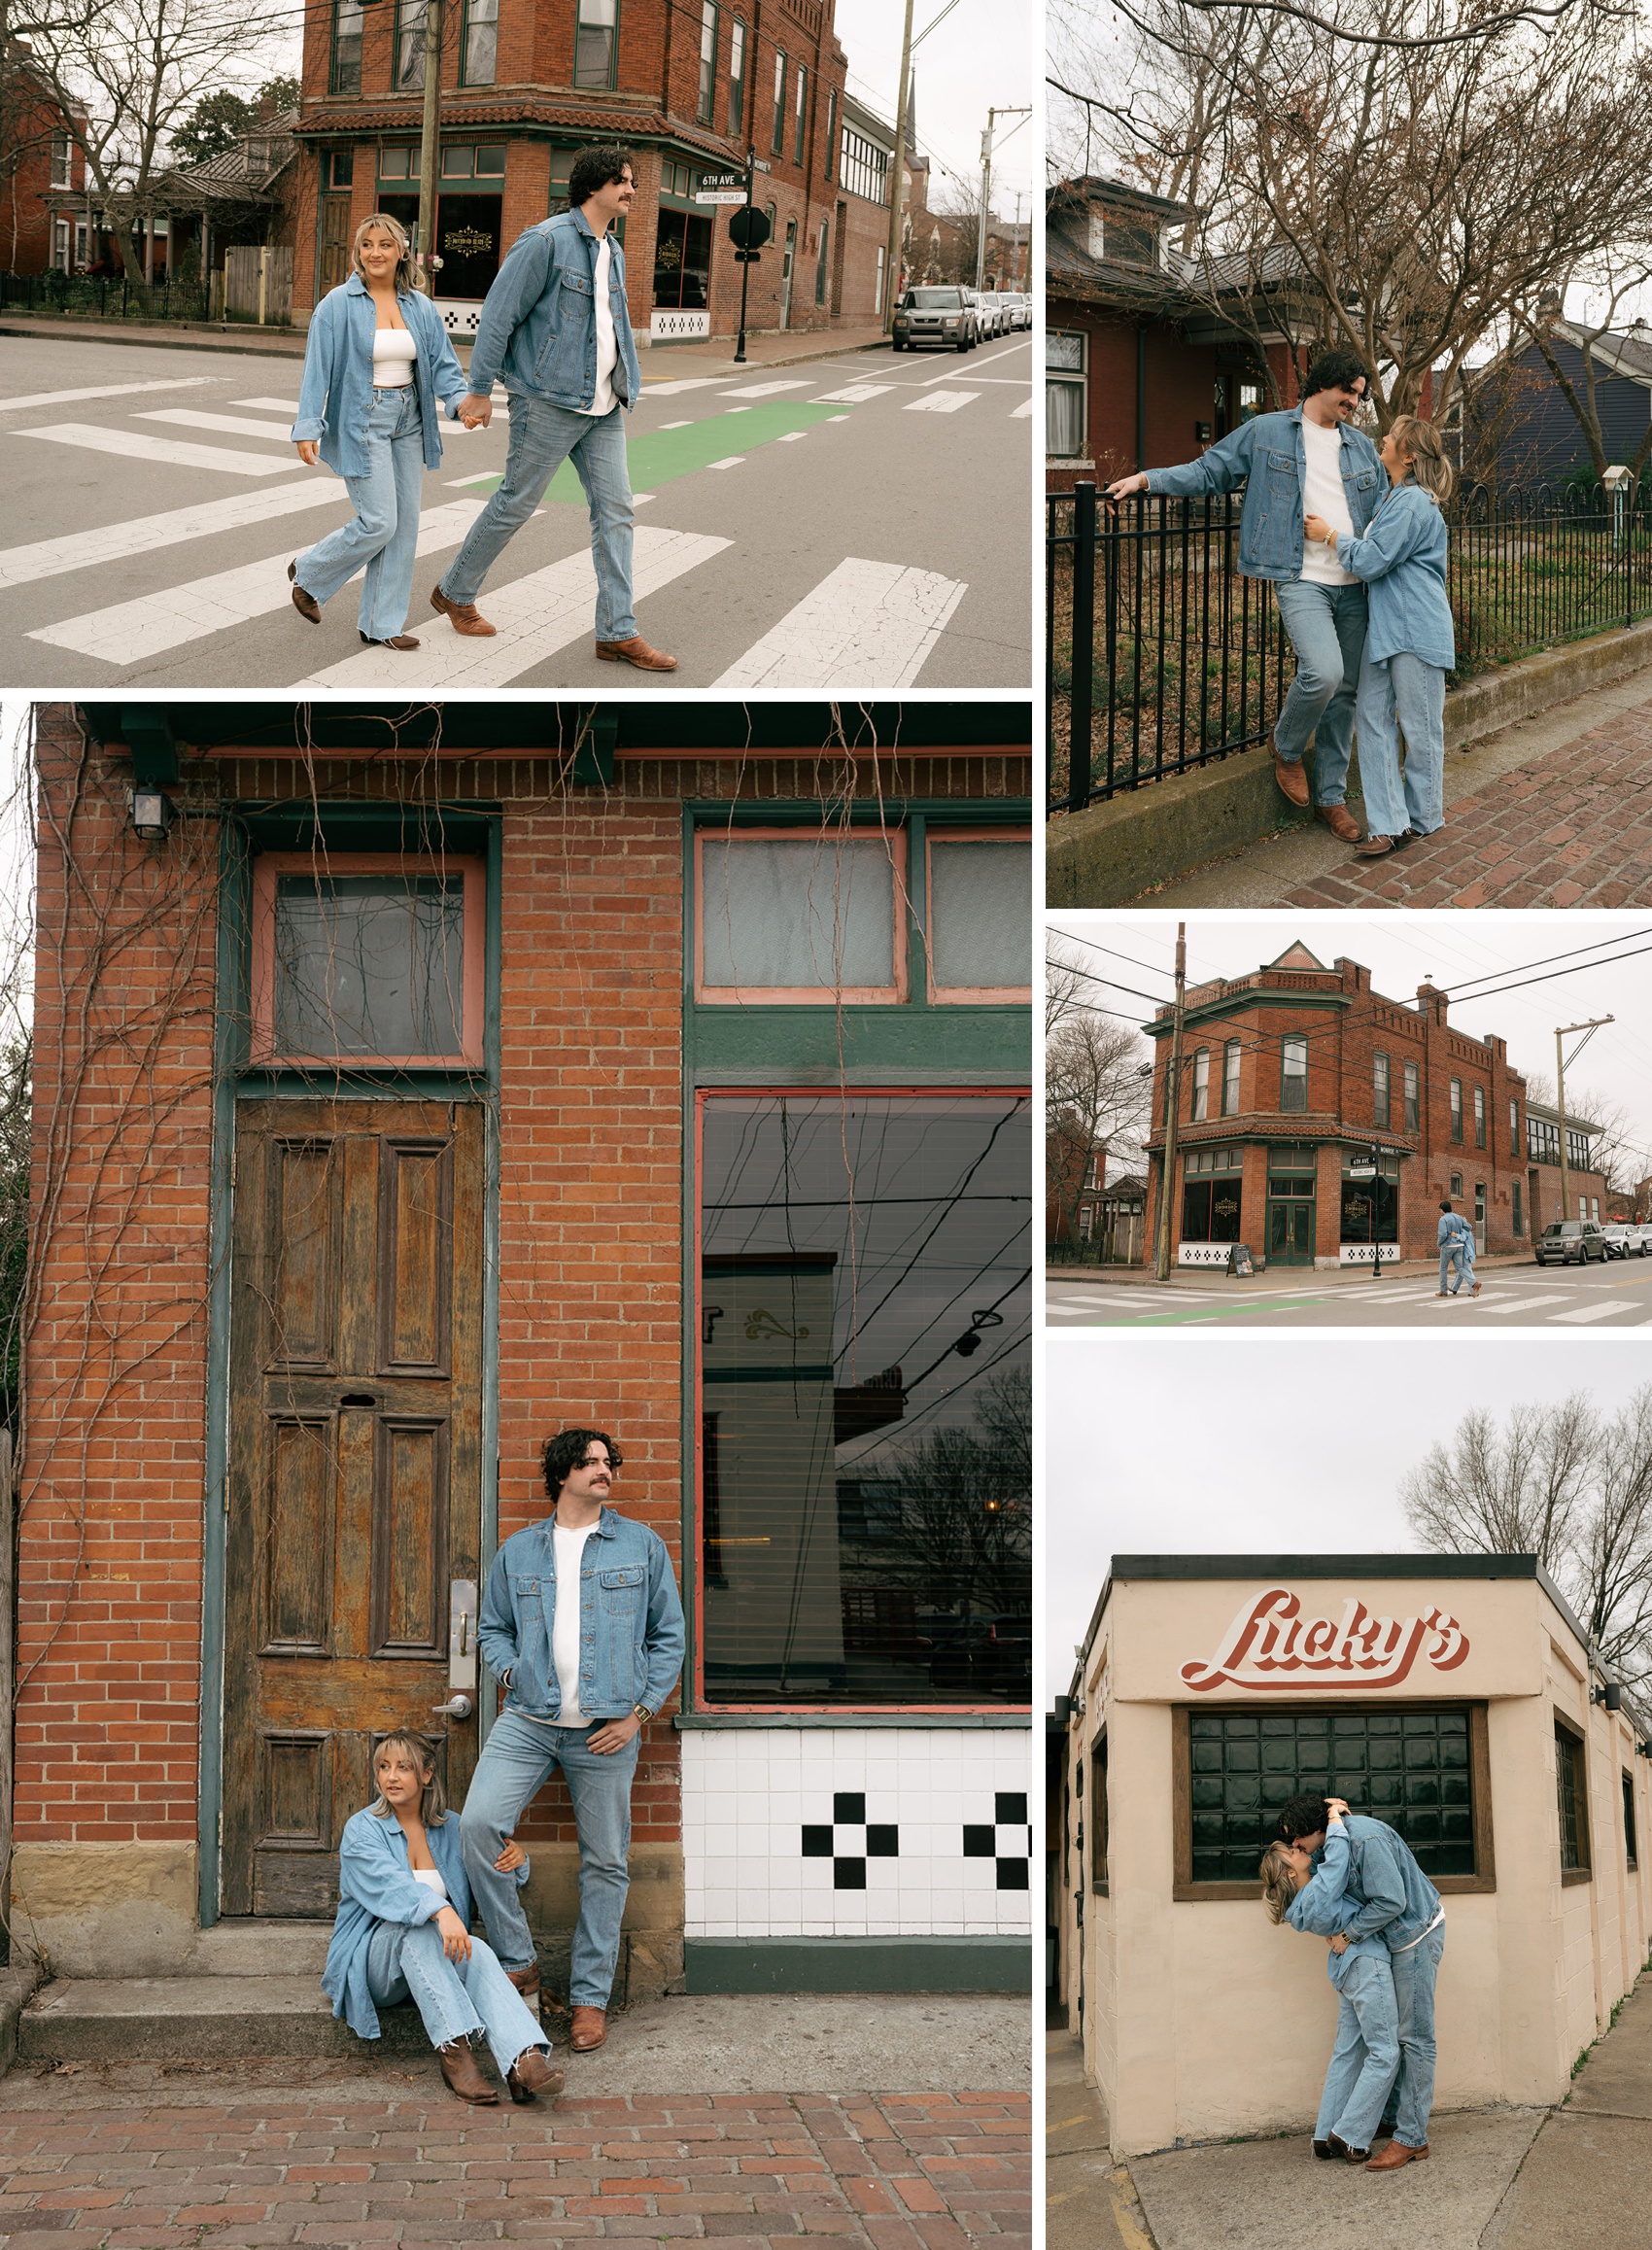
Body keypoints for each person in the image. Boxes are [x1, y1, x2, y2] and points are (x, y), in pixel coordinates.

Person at [463, 1427, 685, 2054]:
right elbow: (492, 1628)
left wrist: (639, 1713)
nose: (604, 1470)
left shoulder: (640, 1546)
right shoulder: (520, 1551)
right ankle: (518, 1959)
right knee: (479, 1825)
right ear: (562, 1474)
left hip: (607, 1730)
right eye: (590, 1462)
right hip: (529, 1720)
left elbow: (668, 1636)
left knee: (606, 1862)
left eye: (608, 1461)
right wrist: (511, 1673)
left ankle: (589, 2000)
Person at [1105, 349, 1386, 838]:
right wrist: (1146, 479)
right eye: (1350, 393)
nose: (1354, 404)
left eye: (1360, 396)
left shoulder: (1360, 447)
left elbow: (1384, 507)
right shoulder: (1266, 432)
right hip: (1300, 577)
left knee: (1345, 694)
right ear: (1325, 385)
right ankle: (1287, 747)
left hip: (1356, 583)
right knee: (1324, 672)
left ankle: (1332, 799)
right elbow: (1208, 471)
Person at [429, 145, 676, 673]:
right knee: (516, 502)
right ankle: (456, 590)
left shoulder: (615, 249)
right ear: (594, 187)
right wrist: (479, 389)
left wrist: (625, 380)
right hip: (546, 400)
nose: (632, 190)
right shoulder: (545, 242)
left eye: (631, 182)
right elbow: (497, 316)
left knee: (618, 510)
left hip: (603, 404)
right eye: (624, 182)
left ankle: (616, 630)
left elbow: (608, 327)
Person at [322, 1730, 566, 2106]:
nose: (391, 1777)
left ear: (427, 1774)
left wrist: (518, 1859)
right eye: (383, 1767)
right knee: (415, 1932)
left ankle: (524, 2059)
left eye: (403, 1767)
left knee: (478, 1949)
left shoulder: (453, 1827)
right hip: (375, 1964)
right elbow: (389, 1888)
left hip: (435, 1963)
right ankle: (455, 2052)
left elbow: (491, 1872)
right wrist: (442, 1909)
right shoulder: (362, 1829)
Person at [289, 215, 471, 650]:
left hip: (410, 420)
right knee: (379, 521)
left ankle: (381, 624)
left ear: (401, 251)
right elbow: (317, 370)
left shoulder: (420, 306)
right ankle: (311, 571)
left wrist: (461, 402)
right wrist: (308, 425)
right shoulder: (337, 304)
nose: (376, 252)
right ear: (358, 251)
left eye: (385, 244)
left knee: (404, 527)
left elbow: (442, 364)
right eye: (367, 244)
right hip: (363, 419)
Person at [1304, 414, 1456, 857]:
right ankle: (1390, 823)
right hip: (1384, 626)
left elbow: (1371, 560)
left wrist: (1329, 536)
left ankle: (1424, 817)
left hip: (1417, 628)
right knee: (1371, 720)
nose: (1383, 438)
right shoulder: (1391, 498)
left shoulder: (1413, 502)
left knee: (1420, 727)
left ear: (1407, 455)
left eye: (1390, 437)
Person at [1275, 1793, 1446, 2170]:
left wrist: (1347, 1934)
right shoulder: (1327, 1845)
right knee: (1393, 2038)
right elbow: (1326, 1887)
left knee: (1415, 2038)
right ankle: (1387, 2117)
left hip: (1413, 1936)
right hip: (1382, 1944)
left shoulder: (1365, 1840)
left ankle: (1412, 2138)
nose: (1294, 1847)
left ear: (1314, 1831)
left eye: (1297, 1840)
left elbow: (1391, 1902)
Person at [1259, 1797, 1400, 2164]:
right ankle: (1350, 2135)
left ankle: (1324, 2135)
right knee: (1385, 2051)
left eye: (1295, 1843)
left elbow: (1330, 1866)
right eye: (1291, 1852)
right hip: (1365, 1965)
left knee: (1347, 2053)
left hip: (1345, 1971)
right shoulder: (1319, 1892)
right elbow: (1337, 1864)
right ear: (1292, 1873)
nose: (1296, 1848)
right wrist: (1335, 1820)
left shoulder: (1303, 1904)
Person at [1437, 1199, 1480, 1298]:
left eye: (1440, 1210)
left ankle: (1443, 1291)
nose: (1440, 1211)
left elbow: (1443, 1234)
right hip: (1459, 1246)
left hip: (1448, 1246)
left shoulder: (1443, 1219)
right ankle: (1474, 1283)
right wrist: (1459, 1234)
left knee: (1443, 1268)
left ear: (1443, 1209)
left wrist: (1439, 1244)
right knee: (1460, 1268)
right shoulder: (1459, 1217)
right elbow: (1469, 1227)